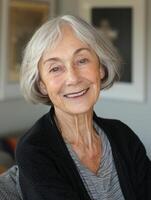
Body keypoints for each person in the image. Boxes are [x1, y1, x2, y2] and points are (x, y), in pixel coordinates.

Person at [0, 15, 150, 200]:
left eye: (82, 60)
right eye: (55, 68)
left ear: (100, 68)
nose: (73, 78)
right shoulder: (35, 149)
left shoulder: (123, 136)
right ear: (42, 85)